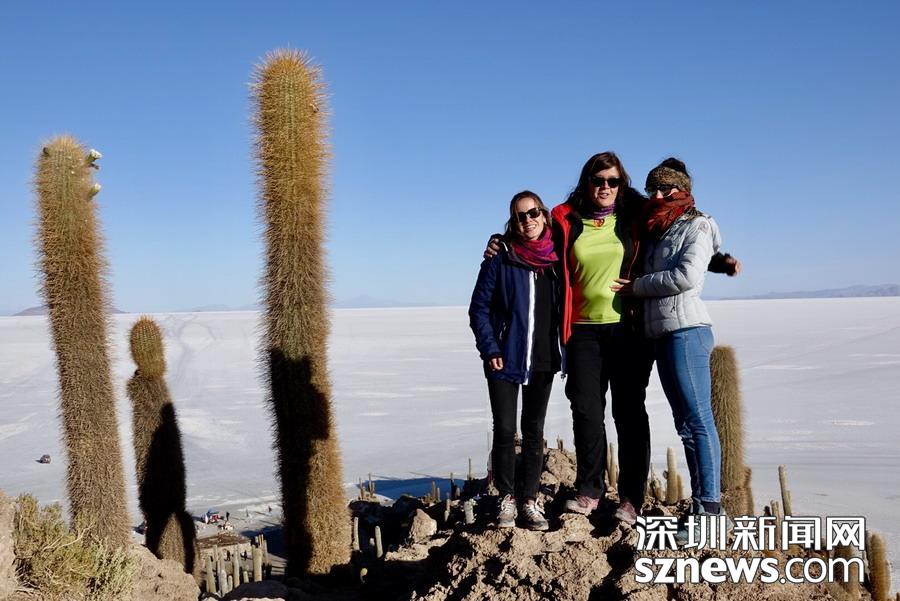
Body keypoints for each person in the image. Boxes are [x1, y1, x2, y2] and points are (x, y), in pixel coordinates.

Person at [484, 153, 739, 526]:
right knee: (586, 410)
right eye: (598, 180)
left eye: (613, 181)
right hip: (582, 329)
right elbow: (531, 233)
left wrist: (720, 262)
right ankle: (590, 490)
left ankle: (632, 498)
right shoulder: (566, 219)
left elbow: (676, 243)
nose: (605, 186)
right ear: (587, 182)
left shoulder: (637, 215)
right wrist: (500, 241)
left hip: (628, 328)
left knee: (629, 411)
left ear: (622, 184)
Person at [611, 158, 727, 541]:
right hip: (662, 333)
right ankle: (704, 508)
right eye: (653, 189)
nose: (658, 195)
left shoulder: (697, 225)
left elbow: (686, 275)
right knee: (687, 425)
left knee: (698, 422)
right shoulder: (659, 228)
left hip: (686, 331)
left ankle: (709, 510)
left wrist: (636, 286)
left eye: (666, 188)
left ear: (683, 189)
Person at [469, 190, 560, 531]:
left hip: (543, 357)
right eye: (520, 216)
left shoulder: (557, 259)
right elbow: (478, 308)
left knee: (534, 431)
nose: (528, 220)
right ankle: (506, 497)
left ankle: (529, 500)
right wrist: (490, 349)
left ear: (544, 215)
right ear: (513, 222)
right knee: (506, 430)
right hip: (504, 358)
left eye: (533, 213)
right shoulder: (501, 257)